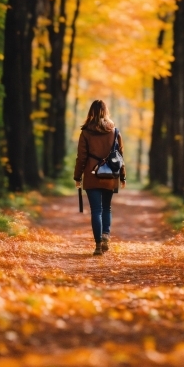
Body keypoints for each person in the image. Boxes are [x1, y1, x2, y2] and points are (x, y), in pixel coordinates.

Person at [74, 99, 126, 256]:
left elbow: (81, 157)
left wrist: (77, 177)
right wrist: (123, 176)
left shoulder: (86, 133)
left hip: (91, 175)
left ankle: (98, 246)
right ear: (106, 111)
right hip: (110, 175)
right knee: (107, 208)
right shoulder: (114, 132)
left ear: (91, 112)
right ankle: (105, 236)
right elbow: (120, 156)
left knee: (96, 210)